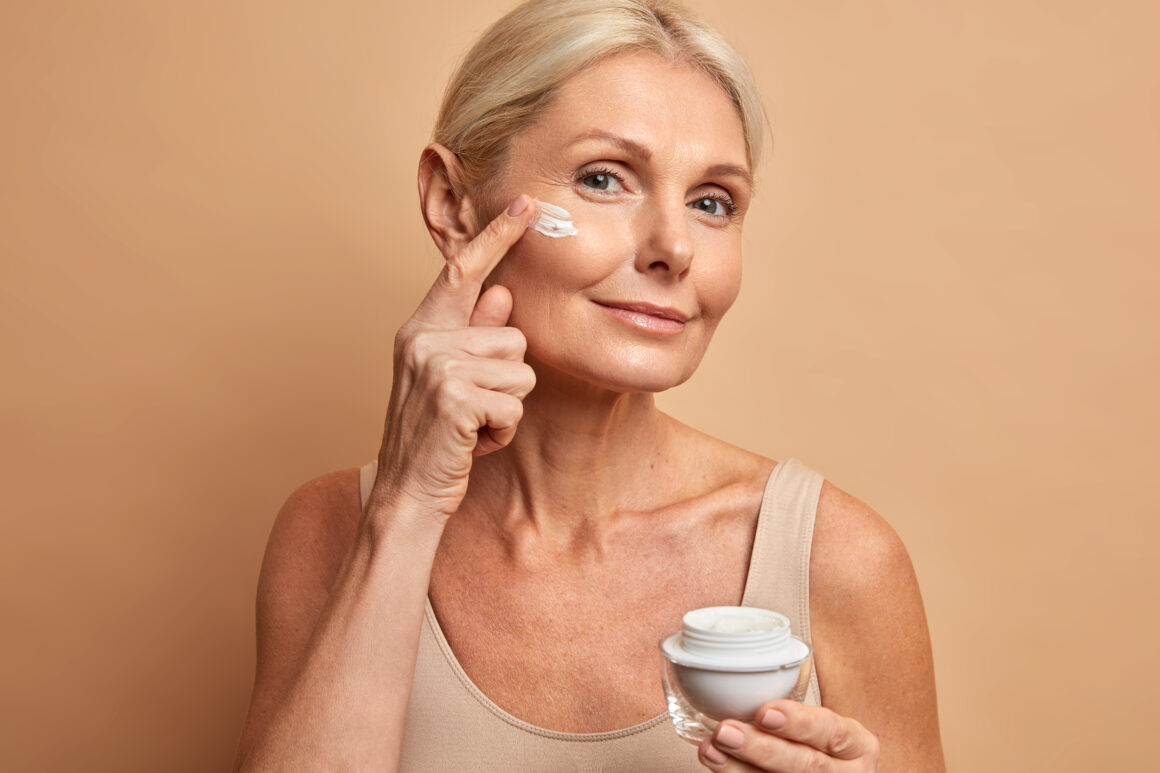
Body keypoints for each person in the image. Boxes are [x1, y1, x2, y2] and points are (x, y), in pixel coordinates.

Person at [233, 0, 944, 770]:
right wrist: (405, 512)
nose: (674, 246)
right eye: (604, 178)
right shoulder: (330, 532)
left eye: (713, 202)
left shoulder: (838, 560)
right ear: (453, 203)